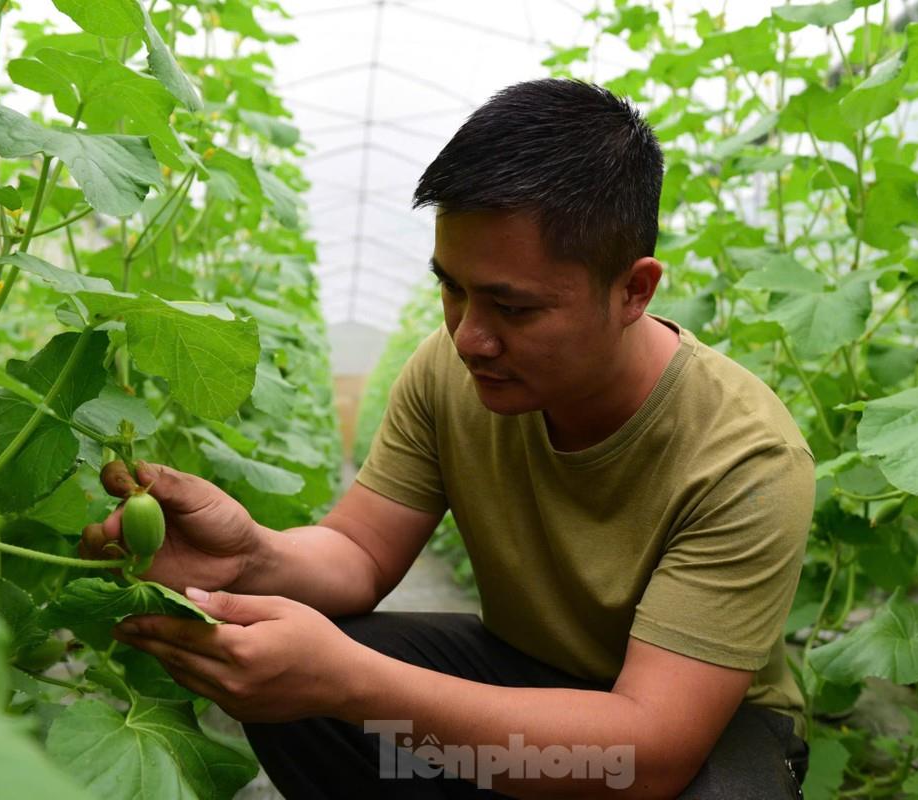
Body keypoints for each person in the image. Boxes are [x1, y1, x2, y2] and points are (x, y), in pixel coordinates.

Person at [82, 78, 815, 799]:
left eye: (512, 307)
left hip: (692, 730)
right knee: (299, 675)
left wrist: (348, 681)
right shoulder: (450, 370)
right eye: (453, 288)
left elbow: (647, 752)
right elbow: (363, 554)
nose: (470, 337)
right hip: (525, 674)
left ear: (634, 291)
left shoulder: (745, 458)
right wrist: (250, 557)